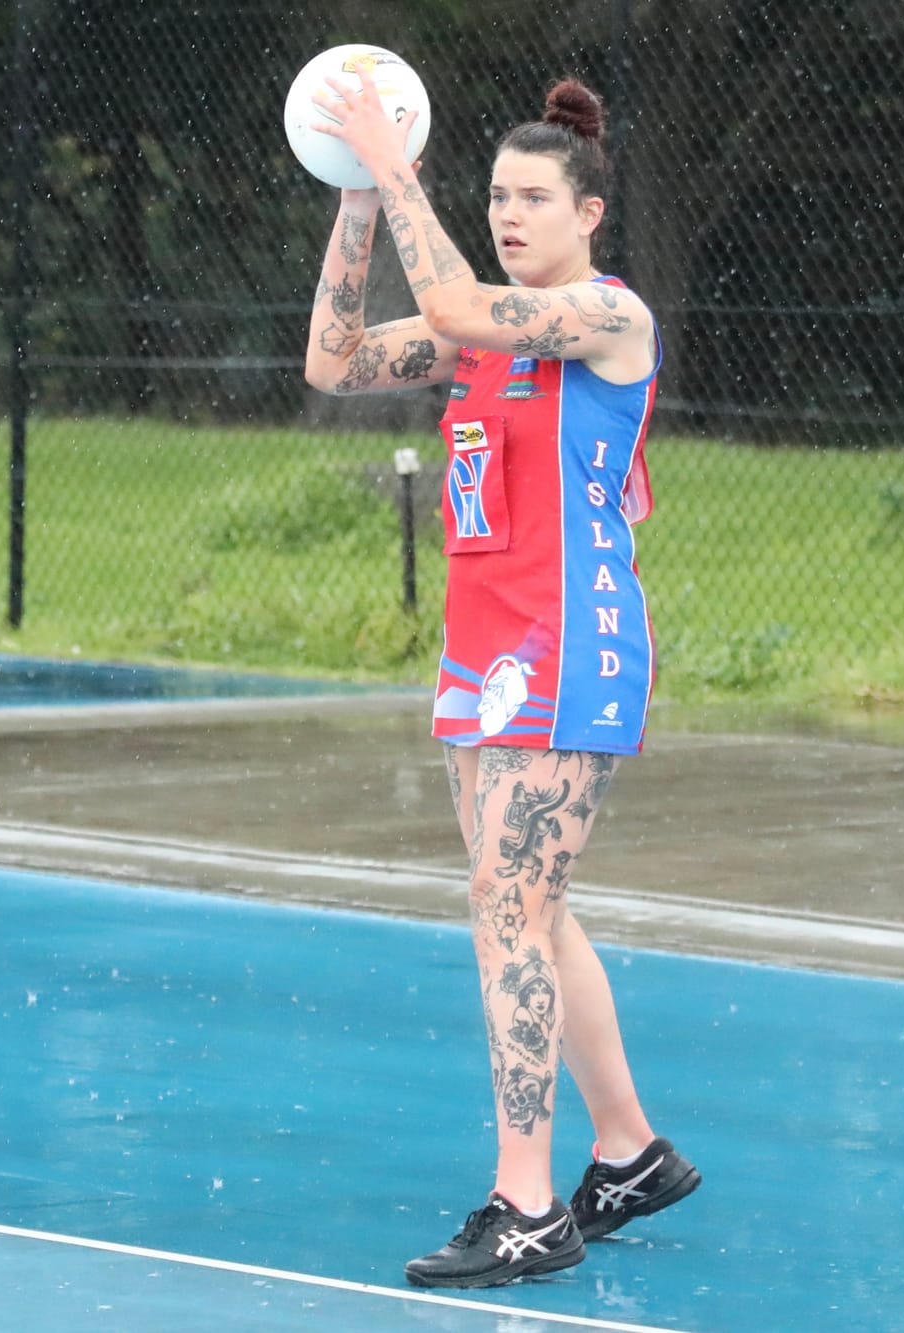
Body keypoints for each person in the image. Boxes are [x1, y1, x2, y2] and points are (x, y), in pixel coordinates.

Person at [302, 75, 700, 1287]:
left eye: (533, 197)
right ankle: (627, 1152)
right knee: (526, 906)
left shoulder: (604, 315)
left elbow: (455, 301)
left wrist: (396, 167)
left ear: (587, 214)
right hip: (483, 654)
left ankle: (526, 1205)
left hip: (569, 645)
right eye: (495, 197)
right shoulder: (475, 339)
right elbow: (333, 361)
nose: (509, 214)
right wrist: (356, 198)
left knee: (507, 909)